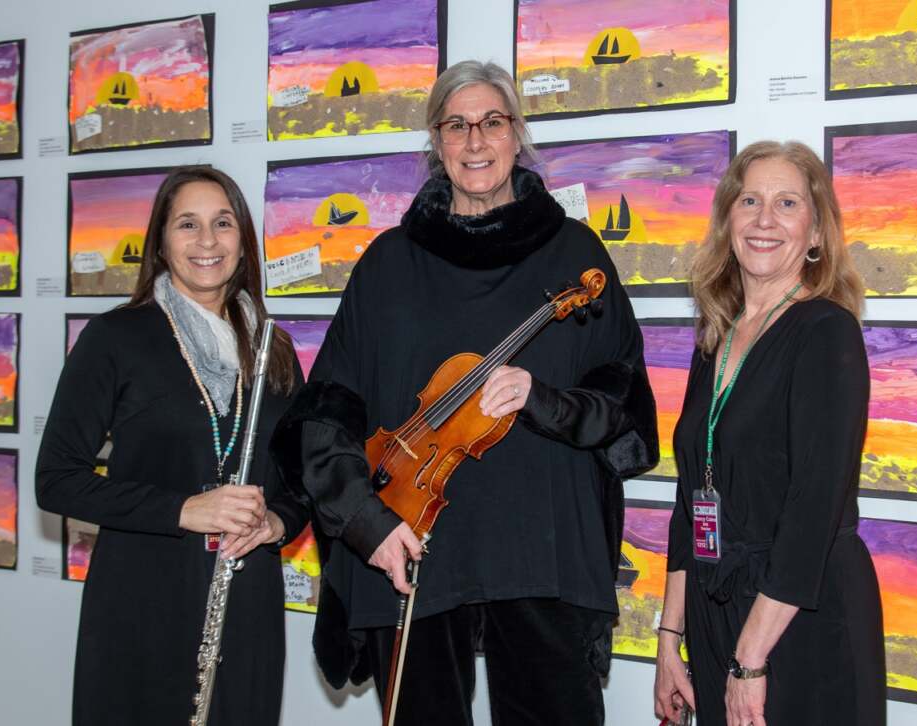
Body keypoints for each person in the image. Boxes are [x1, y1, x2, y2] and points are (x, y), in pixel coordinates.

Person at [271, 60, 658, 725]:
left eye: (492, 122)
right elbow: (327, 411)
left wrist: (542, 400)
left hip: (542, 549)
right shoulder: (388, 263)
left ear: (517, 133)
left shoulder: (575, 254)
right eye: (456, 125)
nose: (475, 141)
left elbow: (622, 403)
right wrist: (366, 522)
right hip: (412, 540)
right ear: (436, 141)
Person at [36, 166, 308, 726]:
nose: (207, 241)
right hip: (143, 600)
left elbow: (303, 477)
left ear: (243, 241)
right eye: (188, 224)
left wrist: (277, 522)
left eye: (223, 223)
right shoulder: (116, 338)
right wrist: (183, 509)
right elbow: (56, 480)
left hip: (247, 599)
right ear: (160, 242)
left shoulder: (273, 347)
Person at [652, 141, 886, 726]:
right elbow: (690, 502)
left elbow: (813, 511)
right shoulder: (716, 337)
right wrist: (670, 638)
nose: (764, 220)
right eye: (749, 200)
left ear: (816, 233)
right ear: (727, 220)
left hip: (800, 618)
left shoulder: (826, 332)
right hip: (715, 607)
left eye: (787, 203)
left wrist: (750, 661)